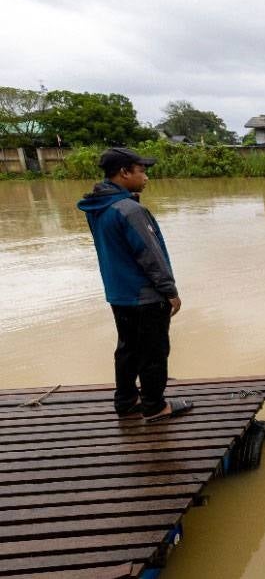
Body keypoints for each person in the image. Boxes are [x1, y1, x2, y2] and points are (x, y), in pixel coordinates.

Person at [77, 147, 194, 422]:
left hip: (119, 293)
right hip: (145, 295)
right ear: (124, 172)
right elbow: (150, 254)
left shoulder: (97, 206)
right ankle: (155, 406)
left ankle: (126, 400)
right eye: (141, 171)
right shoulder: (130, 210)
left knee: (128, 348)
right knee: (153, 351)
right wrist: (170, 291)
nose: (146, 177)